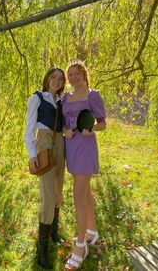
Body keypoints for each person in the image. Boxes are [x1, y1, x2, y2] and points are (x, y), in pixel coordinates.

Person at [62, 60, 106, 270]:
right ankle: (92, 231)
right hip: (71, 149)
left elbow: (103, 124)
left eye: (77, 74)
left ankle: (80, 246)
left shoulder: (92, 95)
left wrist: (93, 130)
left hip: (86, 149)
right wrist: (65, 131)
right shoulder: (66, 97)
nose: (73, 78)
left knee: (78, 196)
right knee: (85, 191)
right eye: (70, 75)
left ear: (84, 74)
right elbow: (62, 122)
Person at [24, 67, 66, 270]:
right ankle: (42, 249)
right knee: (48, 195)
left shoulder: (61, 101)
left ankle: (54, 232)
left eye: (60, 79)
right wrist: (32, 155)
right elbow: (28, 129)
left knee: (58, 189)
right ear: (47, 78)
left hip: (60, 143)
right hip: (44, 141)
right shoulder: (37, 98)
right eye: (53, 77)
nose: (56, 81)